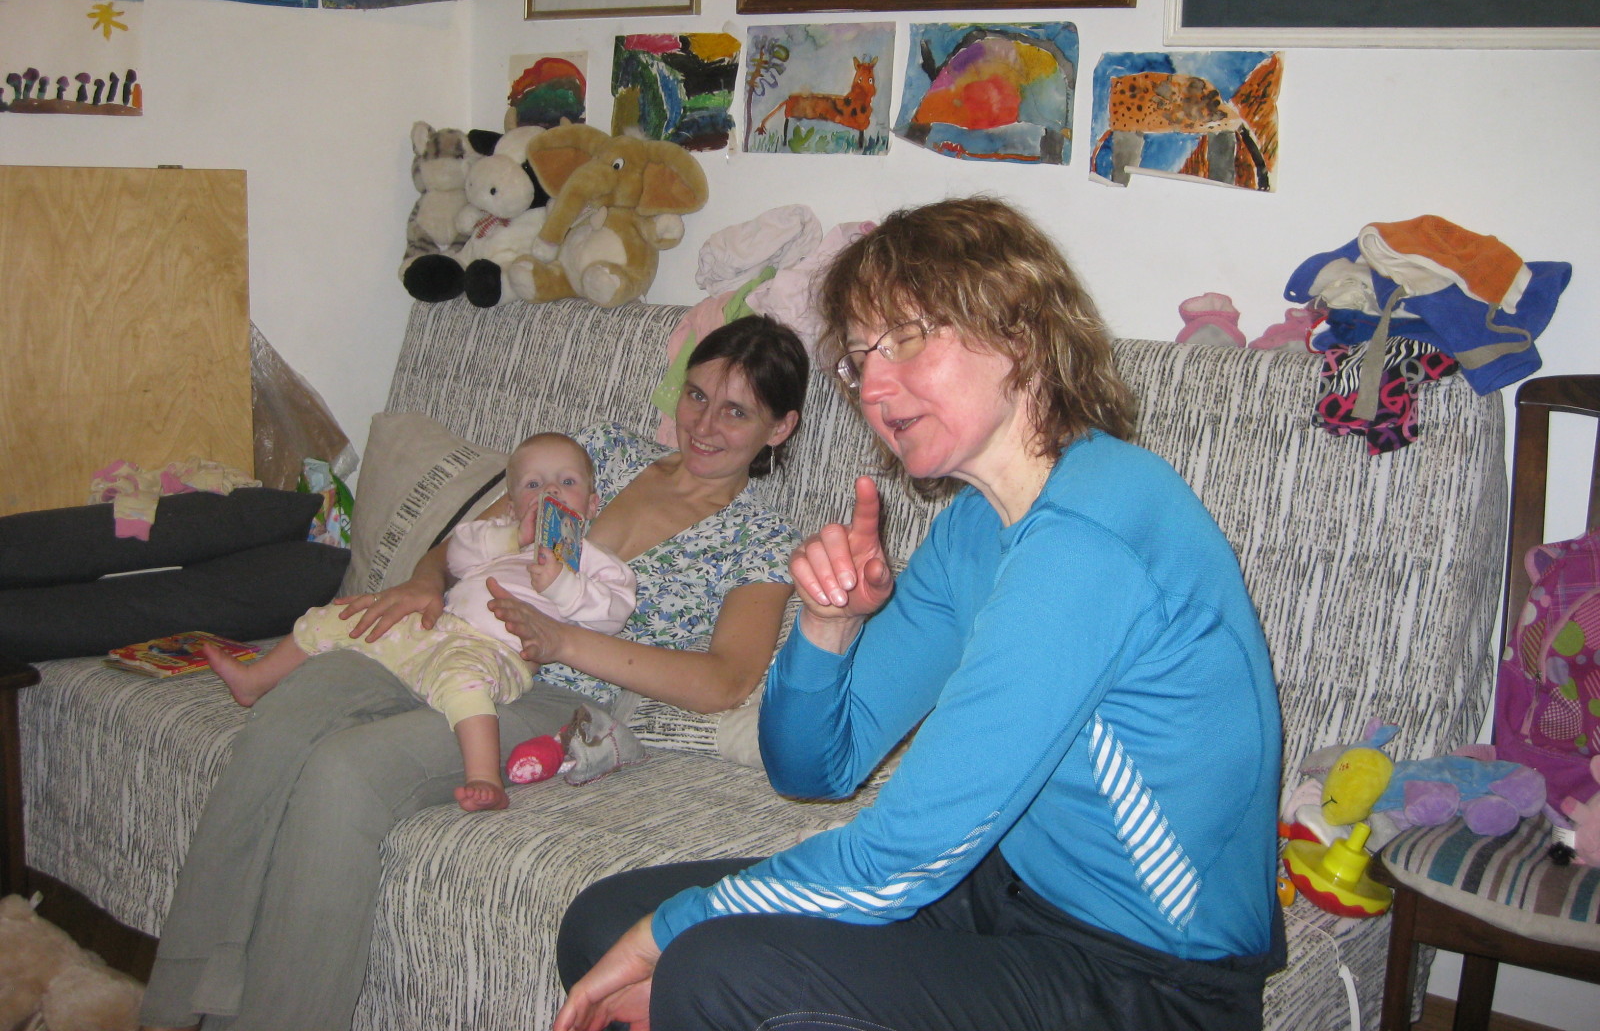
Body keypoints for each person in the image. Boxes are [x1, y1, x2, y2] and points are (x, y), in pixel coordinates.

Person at [555, 197, 1285, 1031]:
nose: (872, 387)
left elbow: (904, 852)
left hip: (1152, 973)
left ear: (1019, 331)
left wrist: (674, 929)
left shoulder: (1092, 533)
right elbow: (812, 770)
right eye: (858, 357)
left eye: (904, 339)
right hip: (1006, 897)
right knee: (603, 922)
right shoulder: (976, 526)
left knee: (711, 966)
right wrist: (827, 630)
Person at [137, 314, 809, 1031]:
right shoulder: (599, 454)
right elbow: (462, 542)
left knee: (347, 772)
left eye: (736, 411)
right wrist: (422, 583)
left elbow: (723, 682)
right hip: (443, 637)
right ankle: (178, 1003)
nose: (703, 424)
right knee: (284, 717)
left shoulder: (759, 538)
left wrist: (564, 642)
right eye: (697, 395)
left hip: (550, 693)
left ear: (780, 428)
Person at [201, 431, 637, 813]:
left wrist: (562, 585)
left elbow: (613, 613)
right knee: (342, 616)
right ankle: (256, 680)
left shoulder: (591, 561)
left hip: (499, 654)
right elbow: (456, 555)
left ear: (591, 505)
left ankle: (484, 777)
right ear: (511, 504)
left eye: (567, 482)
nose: (550, 492)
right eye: (533, 485)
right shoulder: (500, 541)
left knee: (464, 684)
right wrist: (511, 536)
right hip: (440, 628)